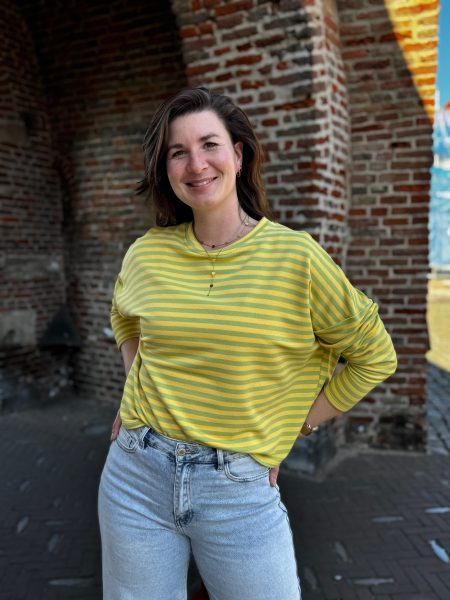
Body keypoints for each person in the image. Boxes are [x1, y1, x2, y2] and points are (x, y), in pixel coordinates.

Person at [98, 87, 397, 600]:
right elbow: (124, 317)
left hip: (237, 490)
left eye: (209, 144)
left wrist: (296, 425)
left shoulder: (296, 258)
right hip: (135, 476)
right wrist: (133, 390)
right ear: (166, 170)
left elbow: (375, 356)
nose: (196, 164)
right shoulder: (147, 253)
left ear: (238, 155)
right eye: (178, 152)